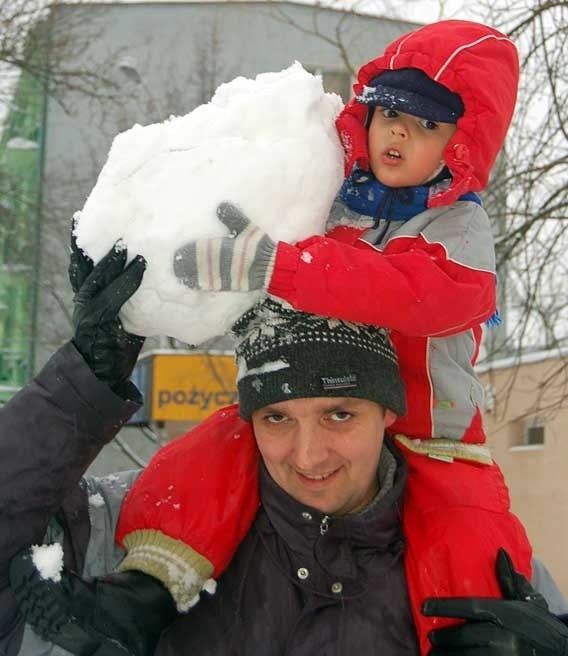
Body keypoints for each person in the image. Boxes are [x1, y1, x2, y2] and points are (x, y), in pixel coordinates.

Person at [100, 17, 541, 646]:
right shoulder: (341, 197)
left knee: (464, 522)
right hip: (328, 396)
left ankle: (469, 632)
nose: (400, 132)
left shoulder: (460, 231)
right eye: (390, 112)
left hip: (433, 426)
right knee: (219, 446)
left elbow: (404, 292)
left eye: (428, 125)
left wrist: (283, 266)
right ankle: (153, 575)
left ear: (462, 146)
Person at [6, 294, 568, 656]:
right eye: (277, 417)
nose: (308, 456)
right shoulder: (139, 535)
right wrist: (74, 394)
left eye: (339, 414)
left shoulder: (480, 564)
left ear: (388, 412)